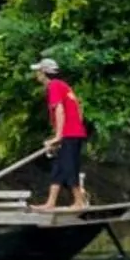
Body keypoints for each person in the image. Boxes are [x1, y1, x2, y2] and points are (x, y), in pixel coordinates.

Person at [32, 57, 91, 212]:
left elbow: (59, 110)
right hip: (71, 132)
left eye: (38, 71)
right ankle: (50, 202)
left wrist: (59, 136)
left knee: (69, 166)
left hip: (70, 133)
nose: (36, 74)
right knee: (58, 168)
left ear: (44, 72)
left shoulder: (54, 86)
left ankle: (79, 201)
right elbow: (78, 110)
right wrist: (58, 137)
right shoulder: (63, 86)